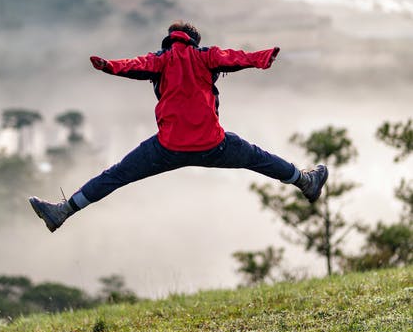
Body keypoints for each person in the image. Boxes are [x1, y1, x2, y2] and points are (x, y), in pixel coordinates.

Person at [30, 21, 328, 232]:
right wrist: (261, 58)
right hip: (214, 144)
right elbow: (234, 57)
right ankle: (305, 181)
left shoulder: (160, 60)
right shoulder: (205, 56)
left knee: (116, 175)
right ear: (194, 40)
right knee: (257, 158)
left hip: (167, 148)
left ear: (169, 41)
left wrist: (108, 65)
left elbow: (133, 64)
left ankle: (62, 212)